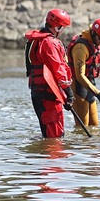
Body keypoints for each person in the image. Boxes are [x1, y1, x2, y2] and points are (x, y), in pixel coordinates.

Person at [25, 8, 75, 138]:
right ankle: (53, 156)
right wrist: (69, 93)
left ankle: (43, 156)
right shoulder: (49, 43)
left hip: (38, 92)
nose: (63, 30)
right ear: (57, 27)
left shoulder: (38, 39)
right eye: (63, 27)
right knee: (55, 137)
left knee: (48, 135)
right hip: (48, 95)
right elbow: (58, 69)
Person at [66, 18, 100, 127]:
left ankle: (91, 145)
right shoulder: (80, 48)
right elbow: (80, 75)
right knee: (82, 126)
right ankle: (77, 144)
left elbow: (90, 63)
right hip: (78, 86)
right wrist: (99, 94)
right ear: (93, 32)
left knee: (94, 126)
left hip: (90, 84)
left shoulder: (95, 43)